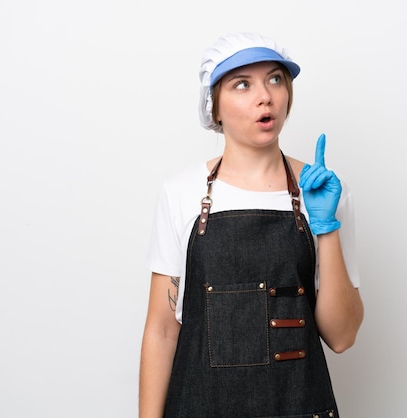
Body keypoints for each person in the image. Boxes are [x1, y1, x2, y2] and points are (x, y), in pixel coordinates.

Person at [138, 32, 364, 418]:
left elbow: (342, 337)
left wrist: (325, 226)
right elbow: (162, 328)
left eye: (275, 79)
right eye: (242, 84)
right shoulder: (181, 193)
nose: (266, 96)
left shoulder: (323, 191)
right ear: (215, 109)